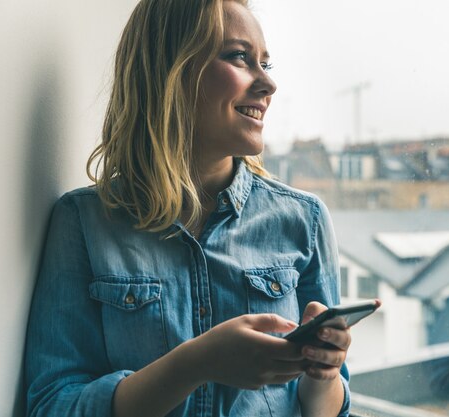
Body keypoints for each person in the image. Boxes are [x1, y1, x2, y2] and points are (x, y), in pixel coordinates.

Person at [24, 0, 352, 416]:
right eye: (239, 57)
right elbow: (53, 405)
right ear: (172, 69)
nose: (268, 86)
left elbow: (328, 407)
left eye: (266, 64)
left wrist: (322, 375)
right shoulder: (84, 223)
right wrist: (197, 362)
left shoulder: (304, 221)